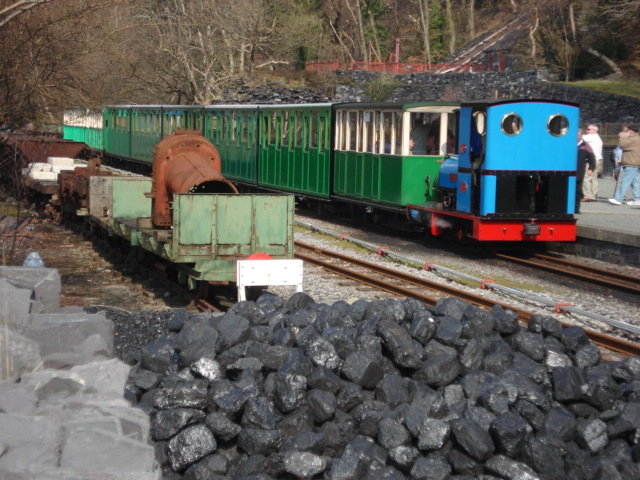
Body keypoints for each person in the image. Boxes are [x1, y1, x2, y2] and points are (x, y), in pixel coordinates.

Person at [609, 127, 640, 206]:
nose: (626, 132)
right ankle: (637, 198)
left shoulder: (633, 139)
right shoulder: (637, 138)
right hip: (635, 163)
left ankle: (618, 199)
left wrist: (624, 137)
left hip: (632, 163)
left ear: (630, 131)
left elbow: (622, 145)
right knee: (635, 182)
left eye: (627, 131)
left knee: (625, 181)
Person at [581, 124, 603, 202]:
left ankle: (588, 195)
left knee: (587, 178)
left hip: (592, 160)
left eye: (589, 129)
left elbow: (580, 137)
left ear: (594, 130)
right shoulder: (598, 138)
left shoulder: (592, 137)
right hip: (599, 159)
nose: (587, 131)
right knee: (594, 178)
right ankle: (593, 194)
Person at [575, 128, 595, 214]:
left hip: (579, 170)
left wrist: (591, 168)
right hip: (569, 170)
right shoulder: (569, 144)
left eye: (577, 135)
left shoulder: (585, 146)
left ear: (581, 135)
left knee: (577, 191)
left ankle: (576, 209)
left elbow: (592, 157)